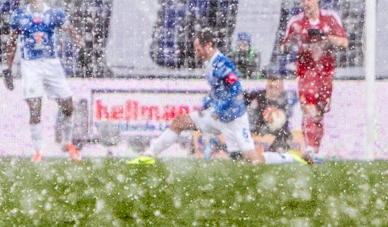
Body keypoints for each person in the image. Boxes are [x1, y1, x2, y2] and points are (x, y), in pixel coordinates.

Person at [129, 29, 304, 165]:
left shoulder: (223, 65)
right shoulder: (210, 64)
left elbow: (236, 91)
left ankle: (289, 158)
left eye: (198, 49)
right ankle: (148, 156)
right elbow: (217, 90)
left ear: (208, 46)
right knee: (180, 122)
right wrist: (207, 103)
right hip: (217, 115)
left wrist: (218, 109)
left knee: (252, 161)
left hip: (234, 119)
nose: (196, 53)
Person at [4, 0, 84, 163]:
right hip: (30, 65)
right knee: (34, 107)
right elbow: (11, 42)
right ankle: (38, 151)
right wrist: (8, 69)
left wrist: (80, 42)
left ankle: (68, 142)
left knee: (68, 106)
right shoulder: (19, 15)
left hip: (51, 64)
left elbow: (70, 30)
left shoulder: (55, 13)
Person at [281, 0, 348, 161]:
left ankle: (314, 150)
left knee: (319, 112)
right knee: (309, 108)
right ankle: (309, 149)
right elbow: (284, 48)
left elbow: (344, 43)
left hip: (326, 72)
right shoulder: (296, 22)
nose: (306, 3)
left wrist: (325, 37)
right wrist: (295, 40)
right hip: (306, 71)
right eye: (303, 0)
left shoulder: (330, 18)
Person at [243, 72, 298, 152]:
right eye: (270, 87)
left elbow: (284, 127)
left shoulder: (284, 104)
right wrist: (259, 136)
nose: (273, 91)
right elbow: (250, 122)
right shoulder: (258, 100)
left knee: (285, 140)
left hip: (276, 137)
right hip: (258, 136)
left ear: (282, 89)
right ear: (266, 87)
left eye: (277, 88)